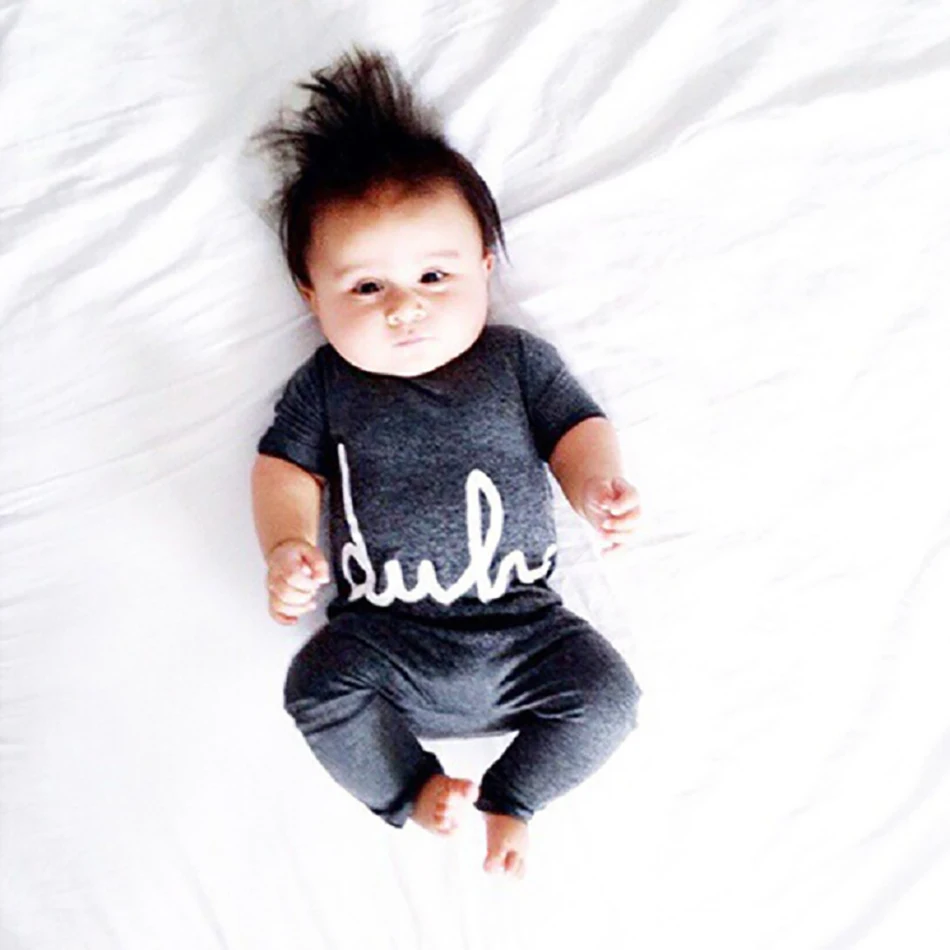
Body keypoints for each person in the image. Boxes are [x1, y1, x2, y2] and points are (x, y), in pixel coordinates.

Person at [251, 48, 642, 879]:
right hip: (383, 644)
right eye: (366, 288)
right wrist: (286, 546)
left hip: (528, 635)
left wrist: (594, 486)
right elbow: (283, 471)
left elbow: (577, 427)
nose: (406, 307)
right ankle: (412, 787)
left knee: (610, 699)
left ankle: (514, 798)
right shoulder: (325, 386)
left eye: (434, 274)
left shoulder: (515, 363)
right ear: (311, 294)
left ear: (485, 266)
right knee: (314, 686)